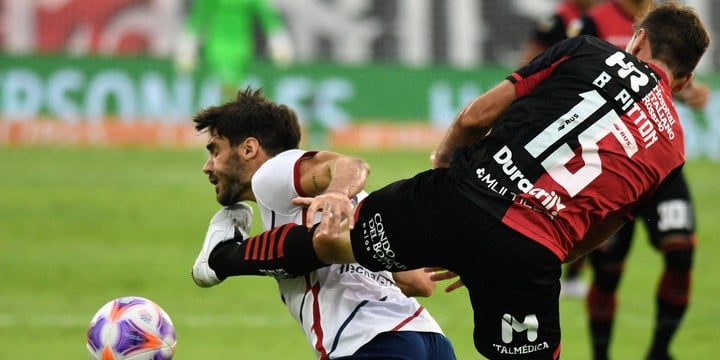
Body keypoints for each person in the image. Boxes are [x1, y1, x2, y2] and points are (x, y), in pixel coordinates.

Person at [190, 3, 710, 359]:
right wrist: (546, 251)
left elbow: (475, 115)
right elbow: (603, 230)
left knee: (331, 239)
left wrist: (443, 169)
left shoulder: (589, 50)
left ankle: (222, 260)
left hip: (465, 195)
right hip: (533, 253)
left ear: (637, 38)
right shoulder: (672, 150)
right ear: (685, 80)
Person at [191, 88, 456, 359]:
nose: (208, 167)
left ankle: (221, 257)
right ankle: (222, 258)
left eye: (215, 151)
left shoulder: (274, 172)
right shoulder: (352, 205)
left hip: (367, 342)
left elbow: (349, 164)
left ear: (249, 148)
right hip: (428, 339)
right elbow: (419, 283)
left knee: (318, 245)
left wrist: (339, 193)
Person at [573, 1, 707, 358]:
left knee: (681, 253)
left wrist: (689, 92)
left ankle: (660, 351)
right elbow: (575, 75)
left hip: (660, 162)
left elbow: (677, 80)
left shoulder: (666, 24)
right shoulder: (593, 21)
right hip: (615, 164)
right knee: (608, 269)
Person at [518, 0, 599, 299]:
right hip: (555, 117)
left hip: (591, 120)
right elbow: (527, 62)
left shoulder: (603, 19)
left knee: (583, 194)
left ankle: (575, 273)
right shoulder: (558, 21)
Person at [175, 0, 294, 99]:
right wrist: (186, 49)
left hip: (238, 51)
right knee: (223, 90)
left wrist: (280, 44)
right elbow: (198, 16)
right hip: (219, 50)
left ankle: (225, 120)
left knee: (230, 92)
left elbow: (267, 15)